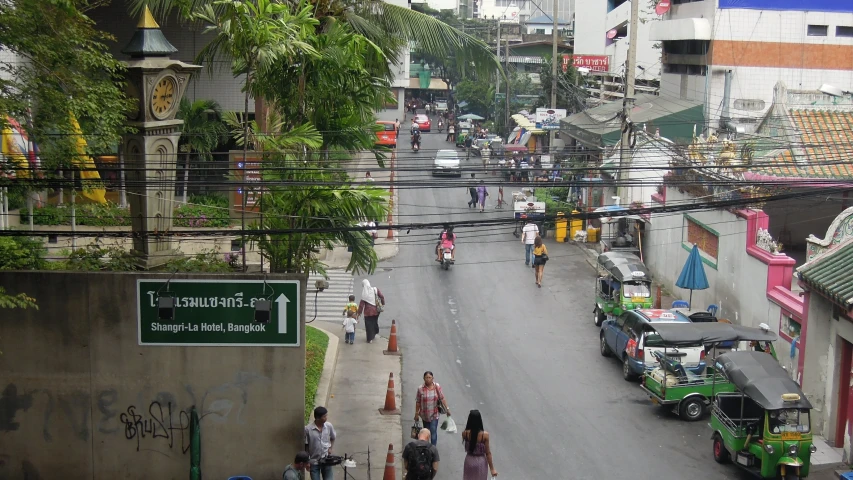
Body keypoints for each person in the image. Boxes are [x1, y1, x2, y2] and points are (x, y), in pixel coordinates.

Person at [414, 371, 451, 446]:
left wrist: (447, 409)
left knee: (433, 431)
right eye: (426, 377)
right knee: (426, 431)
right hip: (424, 415)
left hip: (434, 414)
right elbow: (418, 402)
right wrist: (416, 413)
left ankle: (433, 448)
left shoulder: (436, 387)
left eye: (429, 377)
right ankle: (426, 447)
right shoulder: (420, 389)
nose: (428, 379)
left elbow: (442, 398)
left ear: (433, 378)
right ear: (423, 378)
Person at [461, 410, 498, 480]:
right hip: (480, 462)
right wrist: (492, 469)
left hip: (469, 461)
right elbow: (488, 453)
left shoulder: (464, 433)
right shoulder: (485, 435)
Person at [305, 406, 336, 480]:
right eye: (324, 416)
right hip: (314, 462)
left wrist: (330, 448)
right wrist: (307, 461)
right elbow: (306, 446)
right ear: (318, 418)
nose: (326, 417)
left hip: (326, 459)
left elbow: (333, 437)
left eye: (326, 415)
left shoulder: (328, 426)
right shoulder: (308, 429)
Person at [357, 279, 385, 343]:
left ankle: (369, 339)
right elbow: (382, 296)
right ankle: (375, 332)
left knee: (368, 325)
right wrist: (383, 304)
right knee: (374, 322)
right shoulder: (375, 289)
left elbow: (361, 305)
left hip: (368, 312)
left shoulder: (364, 294)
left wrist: (359, 313)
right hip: (376, 310)